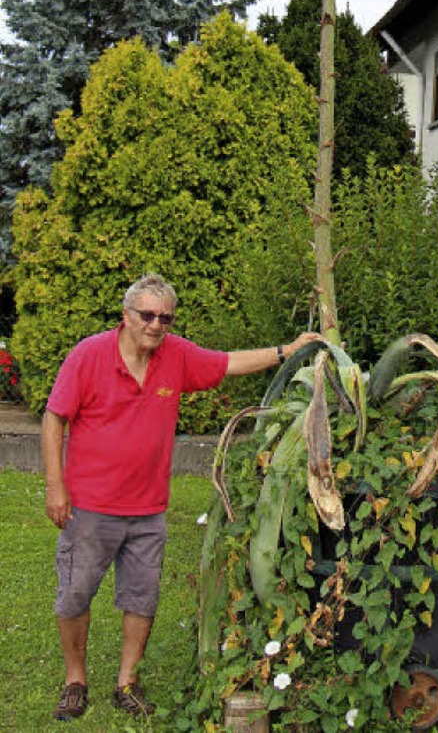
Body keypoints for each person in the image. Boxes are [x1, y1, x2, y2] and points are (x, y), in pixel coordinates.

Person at [42, 273, 321, 722]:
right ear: (126, 316)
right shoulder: (89, 355)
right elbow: (54, 419)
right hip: (90, 506)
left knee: (141, 598)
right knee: (74, 595)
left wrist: (287, 351)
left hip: (149, 508)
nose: (155, 325)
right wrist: (56, 487)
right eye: (147, 315)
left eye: (164, 318)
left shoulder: (176, 356)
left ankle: (126, 682)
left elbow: (228, 361)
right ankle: (76, 680)